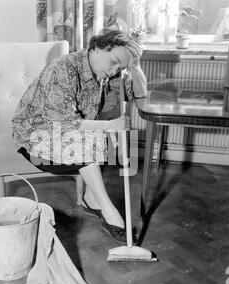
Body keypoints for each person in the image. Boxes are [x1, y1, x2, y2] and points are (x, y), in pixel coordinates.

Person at [12, 30, 147, 244]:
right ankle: (107, 209)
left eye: (119, 68)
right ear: (99, 47)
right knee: (91, 137)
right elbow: (64, 123)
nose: (114, 71)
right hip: (35, 136)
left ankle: (90, 197)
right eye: (114, 62)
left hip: (69, 135)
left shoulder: (105, 74)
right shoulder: (63, 68)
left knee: (100, 136)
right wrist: (109, 124)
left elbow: (141, 102)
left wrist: (135, 68)